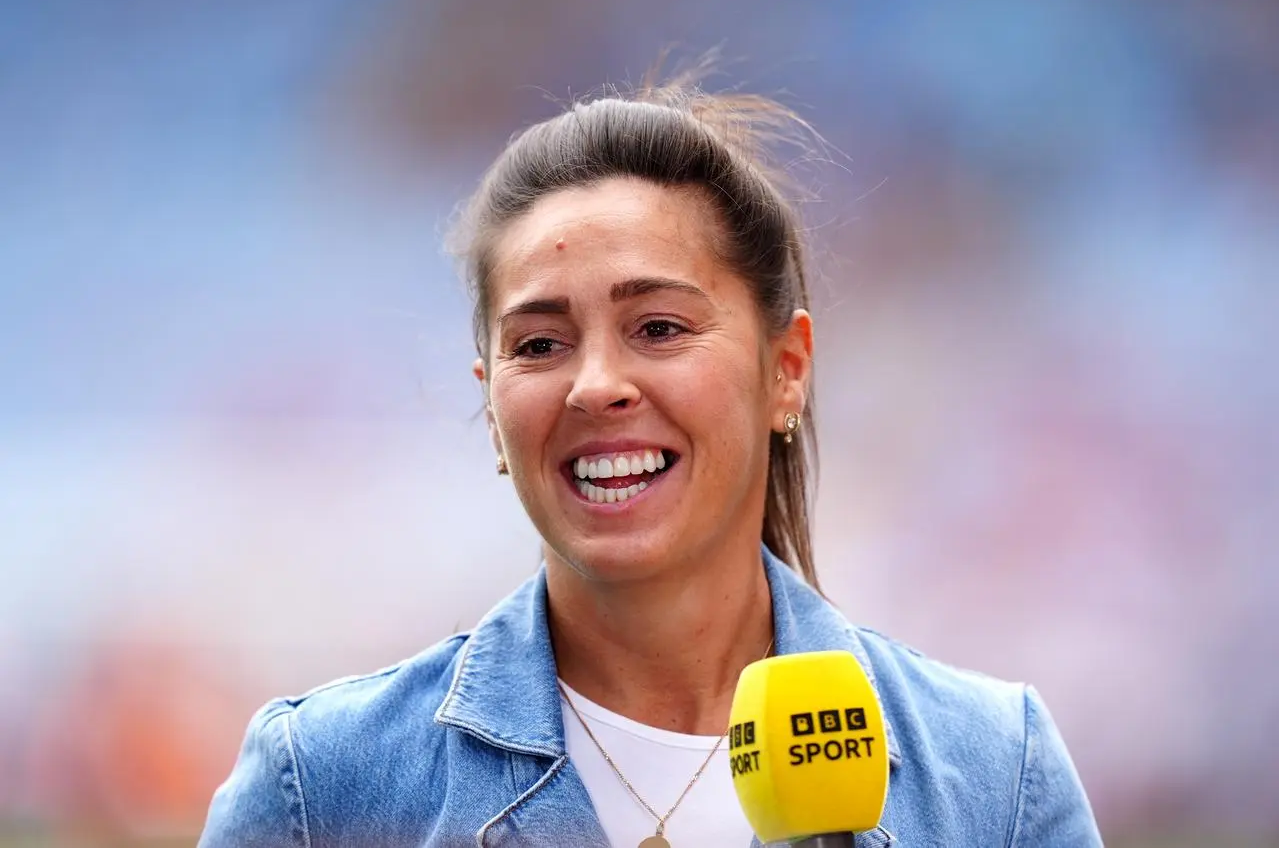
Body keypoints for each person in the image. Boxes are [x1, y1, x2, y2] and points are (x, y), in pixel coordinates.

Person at [198, 72, 1102, 847]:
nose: (595, 385)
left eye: (658, 327)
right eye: (540, 344)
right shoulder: (323, 785)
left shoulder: (993, 775)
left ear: (784, 371)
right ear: (489, 404)